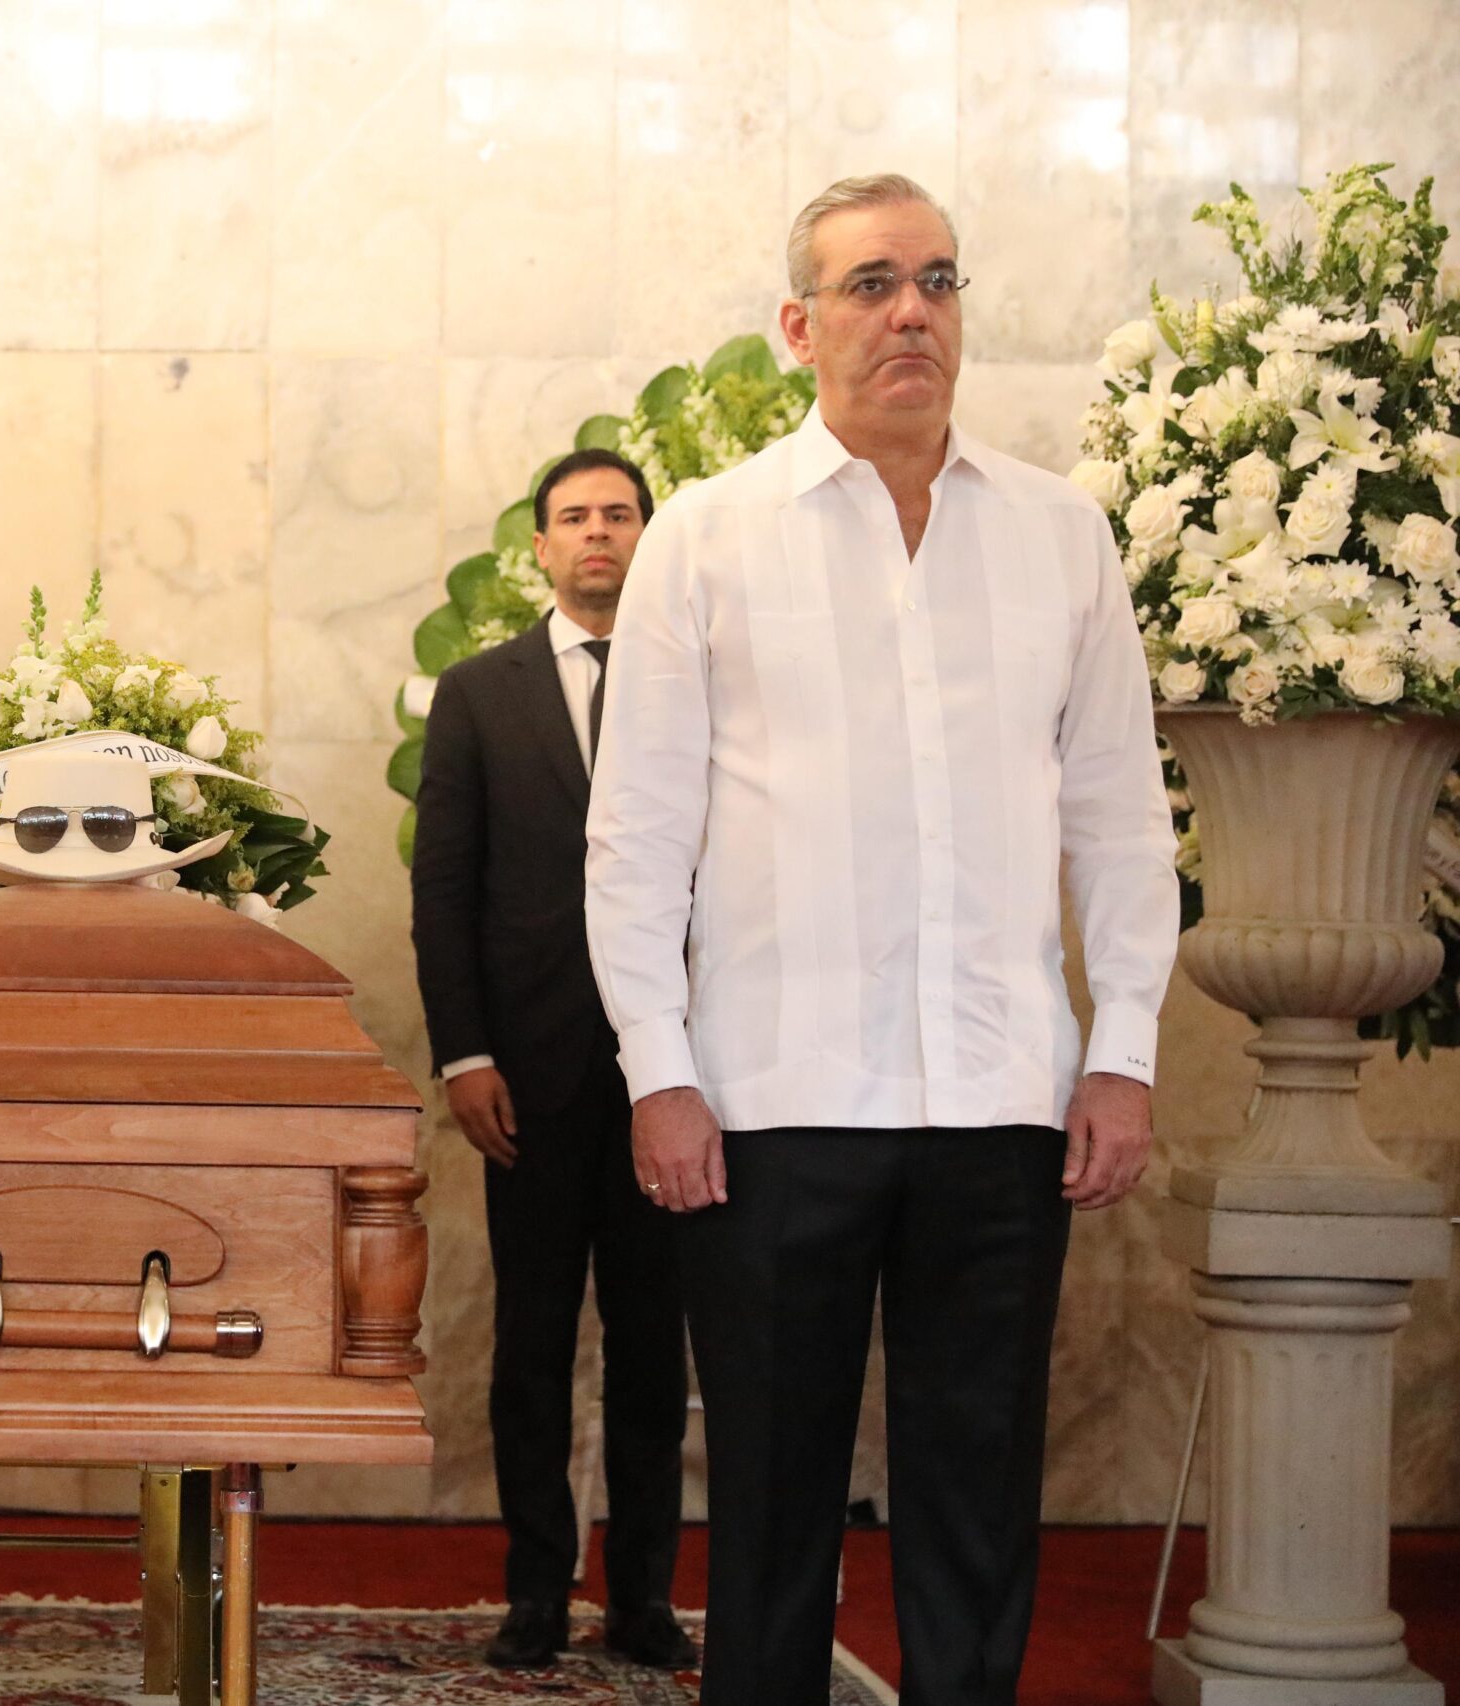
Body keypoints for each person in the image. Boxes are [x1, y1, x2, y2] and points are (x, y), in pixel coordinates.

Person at [585, 173, 1179, 1705]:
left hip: (999, 1102)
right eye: (869, 285)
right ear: (799, 325)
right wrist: (660, 1068)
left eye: (936, 279)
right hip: (774, 1105)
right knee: (774, 1505)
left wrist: (1120, 1051)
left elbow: (1121, 818)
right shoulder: (708, 539)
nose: (909, 310)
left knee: (978, 1504)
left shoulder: (1061, 534)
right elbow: (637, 837)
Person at [410, 448, 697, 1673]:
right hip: (523, 1074)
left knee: (651, 1344)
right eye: (573, 517)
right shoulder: (478, 692)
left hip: (669, 1077)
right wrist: (463, 1051)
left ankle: (639, 1597)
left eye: (618, 515)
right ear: (536, 545)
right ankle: (534, 1589)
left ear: (647, 535)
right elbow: (444, 889)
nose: (597, 534)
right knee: (531, 1341)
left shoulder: (696, 684)